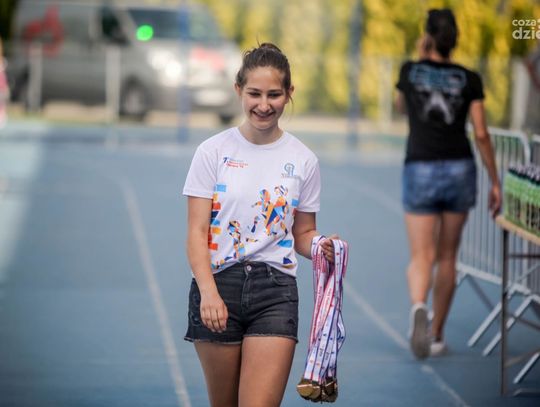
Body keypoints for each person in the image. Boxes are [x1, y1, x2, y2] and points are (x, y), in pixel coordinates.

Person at [182, 42, 340, 407]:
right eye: (254, 94)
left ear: (289, 93)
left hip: (276, 292)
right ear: (238, 90)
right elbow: (196, 233)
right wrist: (208, 292)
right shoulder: (212, 152)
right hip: (219, 287)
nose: (264, 105)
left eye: (274, 95)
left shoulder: (304, 160)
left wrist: (320, 246)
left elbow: (302, 233)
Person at [395, 9, 501, 359]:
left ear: (428, 37)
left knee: (421, 256)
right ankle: (437, 334)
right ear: (455, 39)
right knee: (448, 256)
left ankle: (417, 306)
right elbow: (481, 133)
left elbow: (401, 107)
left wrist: (419, 57)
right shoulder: (469, 78)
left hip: (420, 166)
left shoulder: (410, 71)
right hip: (459, 168)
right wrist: (495, 181)